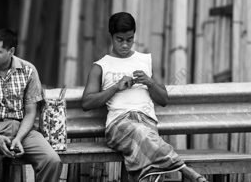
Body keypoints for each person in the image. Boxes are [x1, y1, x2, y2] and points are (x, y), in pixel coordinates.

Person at [81, 12, 206, 182]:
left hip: (147, 122)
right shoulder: (101, 66)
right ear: (111, 36)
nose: (125, 45)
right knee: (142, 133)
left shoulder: (144, 60)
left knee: (149, 161)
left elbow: (164, 100)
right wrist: (115, 87)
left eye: (129, 39)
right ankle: (185, 170)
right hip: (119, 124)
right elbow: (86, 103)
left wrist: (150, 82)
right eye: (120, 40)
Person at [0, 28, 61, 182]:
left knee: (51, 160)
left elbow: (30, 112)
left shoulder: (28, 70)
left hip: (22, 129)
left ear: (11, 51)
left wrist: (19, 138)